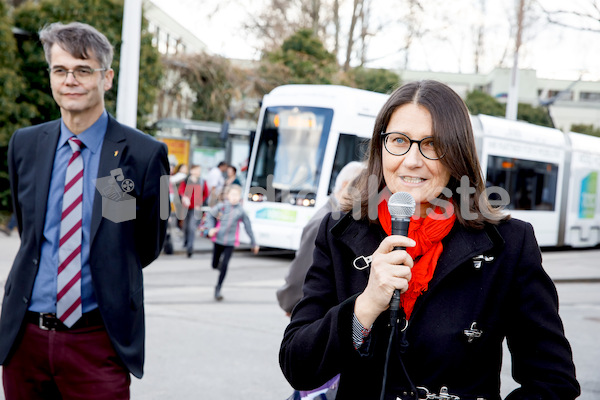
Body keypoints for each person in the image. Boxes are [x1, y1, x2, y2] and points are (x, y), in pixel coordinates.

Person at [279, 80, 580, 400]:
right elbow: (299, 366)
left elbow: (553, 381)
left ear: (457, 154)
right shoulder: (339, 231)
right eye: (398, 140)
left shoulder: (510, 243)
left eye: (433, 144)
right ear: (381, 147)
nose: (412, 160)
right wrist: (366, 305)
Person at [0, 22, 169, 399]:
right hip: (25, 340)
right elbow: (30, 230)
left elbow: (147, 242)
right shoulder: (26, 145)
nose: (70, 80)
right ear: (51, 77)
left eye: (82, 70)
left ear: (106, 78)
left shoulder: (141, 155)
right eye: (60, 70)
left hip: (97, 343)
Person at [277, 161, 365, 316]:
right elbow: (301, 270)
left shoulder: (339, 217)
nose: (367, 193)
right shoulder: (325, 221)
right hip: (314, 312)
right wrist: (290, 302)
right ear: (346, 185)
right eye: (363, 186)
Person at [204, 184, 259, 301]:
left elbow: (248, 227)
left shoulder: (241, 211)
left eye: (237, 195)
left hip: (231, 242)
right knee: (214, 264)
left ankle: (218, 289)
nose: (234, 197)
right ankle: (219, 267)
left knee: (225, 265)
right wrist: (210, 229)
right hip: (218, 239)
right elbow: (209, 215)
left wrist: (254, 243)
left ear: (240, 197)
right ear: (227, 195)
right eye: (232, 194)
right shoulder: (222, 206)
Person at [178, 164, 209, 257]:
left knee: (192, 227)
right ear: (191, 170)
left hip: (196, 208)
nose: (198, 172)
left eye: (199, 170)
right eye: (196, 170)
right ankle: (186, 242)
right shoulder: (186, 180)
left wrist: (200, 202)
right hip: (186, 207)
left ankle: (190, 247)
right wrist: (184, 197)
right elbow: (181, 191)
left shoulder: (202, 181)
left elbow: (206, 193)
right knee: (186, 226)